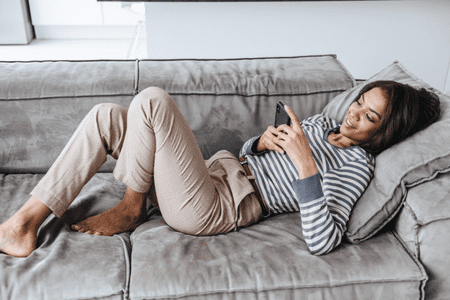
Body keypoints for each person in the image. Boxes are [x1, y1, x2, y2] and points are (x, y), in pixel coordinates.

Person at [0, 81, 440, 258]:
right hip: (208, 176)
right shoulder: (323, 123)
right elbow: (252, 157)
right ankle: (24, 223)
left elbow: (324, 240)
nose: (354, 115)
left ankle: (132, 207)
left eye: (370, 117)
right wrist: (261, 143)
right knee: (105, 116)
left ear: (386, 132)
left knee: (152, 100)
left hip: (214, 207)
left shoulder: (355, 166)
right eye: (360, 102)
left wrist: (305, 164)